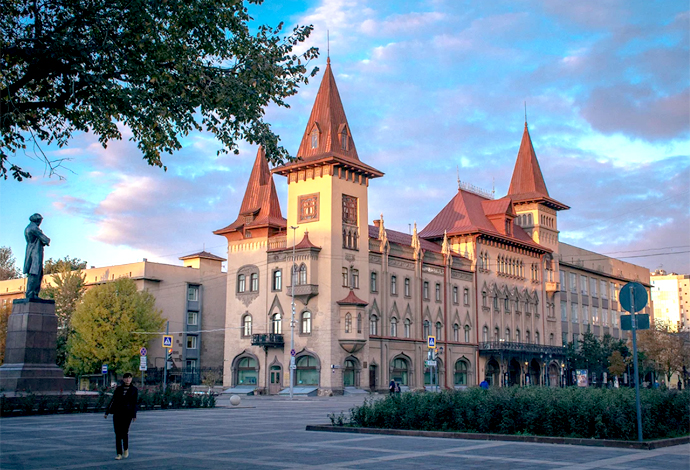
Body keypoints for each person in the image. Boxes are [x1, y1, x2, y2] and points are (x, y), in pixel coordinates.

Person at [105, 373, 138, 460]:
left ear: (131, 379)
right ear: (123, 379)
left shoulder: (134, 390)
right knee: (117, 433)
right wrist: (107, 412)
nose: (128, 379)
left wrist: (134, 415)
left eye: (129, 378)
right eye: (126, 378)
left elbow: (135, 403)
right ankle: (119, 453)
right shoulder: (118, 389)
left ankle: (126, 448)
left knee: (124, 432)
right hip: (118, 412)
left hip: (128, 413)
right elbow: (113, 400)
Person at [23, 213, 50, 299]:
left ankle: (32, 293)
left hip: (30, 251)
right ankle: (32, 293)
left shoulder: (27, 228)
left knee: (34, 273)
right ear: (37, 220)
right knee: (35, 273)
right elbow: (45, 239)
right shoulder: (34, 228)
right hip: (35, 253)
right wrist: (47, 240)